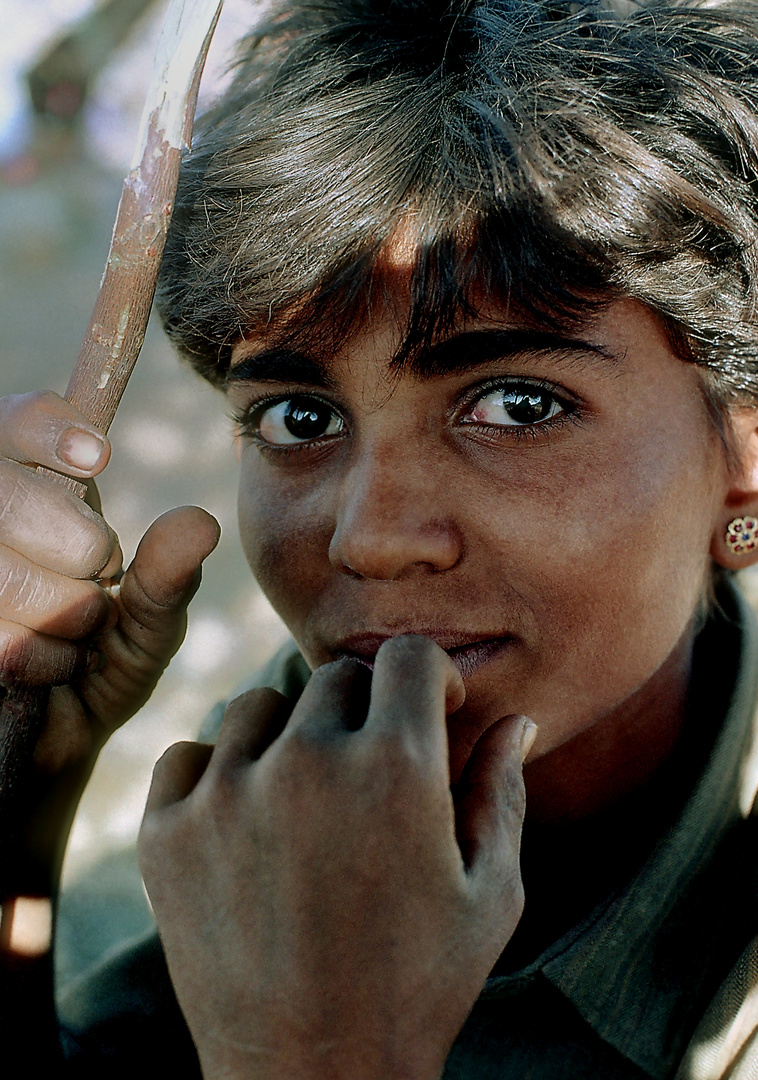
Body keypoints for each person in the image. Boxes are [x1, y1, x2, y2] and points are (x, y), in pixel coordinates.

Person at [3, 0, 758, 1075]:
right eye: (299, 420)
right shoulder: (202, 853)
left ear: (740, 452)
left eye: (515, 405)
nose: (370, 538)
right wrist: (20, 817)